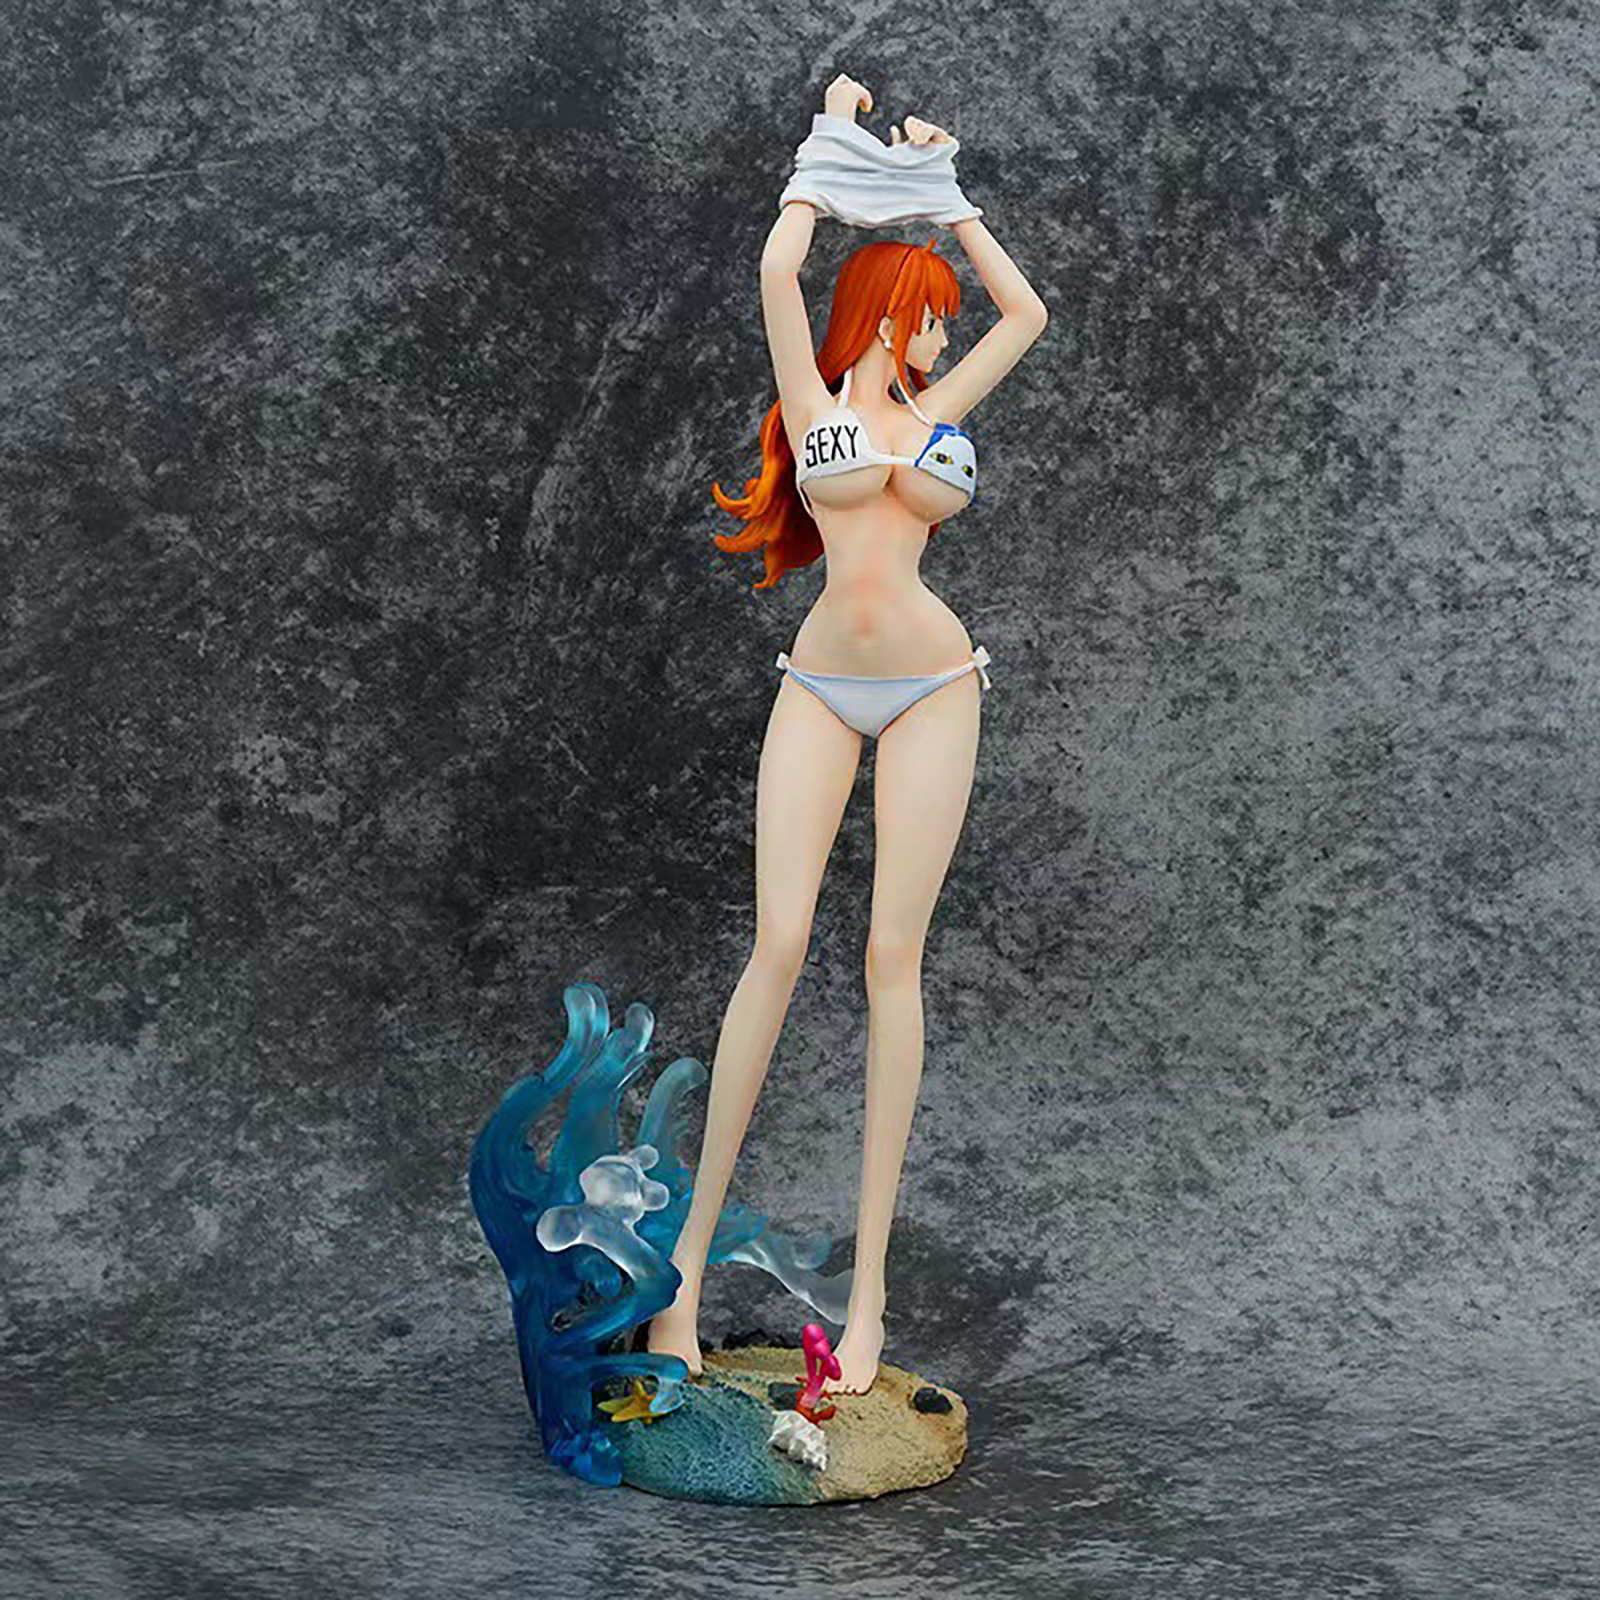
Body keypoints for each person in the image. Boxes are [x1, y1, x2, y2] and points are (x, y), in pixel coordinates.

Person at [648, 72, 1048, 1396]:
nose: (940, 337)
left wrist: (947, 196)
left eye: (943, 323)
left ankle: (869, 1298)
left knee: (890, 960)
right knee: (773, 946)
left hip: (934, 686)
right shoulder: (816, 400)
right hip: (818, 683)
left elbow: (1029, 312)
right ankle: (683, 1272)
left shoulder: (943, 412)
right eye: (927, 316)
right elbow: (779, 266)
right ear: (886, 315)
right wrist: (827, 151)